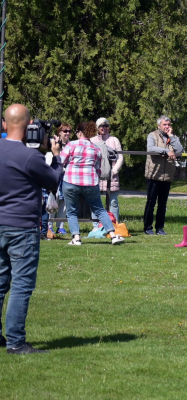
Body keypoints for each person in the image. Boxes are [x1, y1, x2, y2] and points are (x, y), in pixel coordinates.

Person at [0, 104, 64, 354]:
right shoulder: (30, 156)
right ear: (28, 126)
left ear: (5, 124)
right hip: (22, 227)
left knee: (1, 281)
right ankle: (16, 341)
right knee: (22, 284)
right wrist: (55, 156)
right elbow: (53, 180)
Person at [59, 122, 124, 246]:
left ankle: (76, 238)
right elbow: (98, 168)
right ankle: (113, 236)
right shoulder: (96, 148)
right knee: (100, 209)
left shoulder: (71, 145)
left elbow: (61, 162)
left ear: (79, 132)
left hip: (71, 181)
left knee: (71, 211)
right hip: (90, 182)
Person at [144, 116, 183, 235]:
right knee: (151, 202)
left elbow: (180, 151)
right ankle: (148, 228)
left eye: (169, 124)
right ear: (159, 126)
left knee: (162, 204)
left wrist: (171, 137)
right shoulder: (152, 135)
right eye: (165, 124)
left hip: (167, 176)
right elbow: (150, 148)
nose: (167, 126)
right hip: (154, 174)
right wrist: (166, 151)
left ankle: (160, 228)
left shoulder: (174, 138)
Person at [95, 118, 124, 224]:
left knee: (113, 202)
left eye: (106, 126)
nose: (104, 128)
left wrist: (114, 170)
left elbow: (120, 157)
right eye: (102, 126)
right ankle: (96, 225)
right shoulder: (93, 140)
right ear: (98, 128)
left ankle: (114, 224)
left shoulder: (114, 140)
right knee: (95, 202)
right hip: (96, 175)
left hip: (112, 175)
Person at [50, 123, 72, 235]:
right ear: (60, 132)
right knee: (54, 198)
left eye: (69, 131)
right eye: (65, 131)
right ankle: (49, 225)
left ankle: (60, 226)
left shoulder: (72, 145)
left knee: (64, 200)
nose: (67, 133)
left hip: (67, 175)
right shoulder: (54, 143)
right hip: (56, 174)